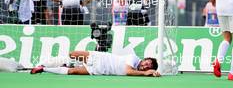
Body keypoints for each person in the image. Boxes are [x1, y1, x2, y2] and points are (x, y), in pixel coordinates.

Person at [30, 50, 160, 77]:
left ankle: (43, 69)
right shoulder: (134, 58)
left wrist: (154, 73)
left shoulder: (140, 71)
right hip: (97, 58)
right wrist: (145, 73)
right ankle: (44, 63)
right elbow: (128, 71)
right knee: (72, 55)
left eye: (149, 66)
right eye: (146, 62)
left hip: (99, 70)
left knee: (72, 71)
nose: (146, 66)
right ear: (143, 59)